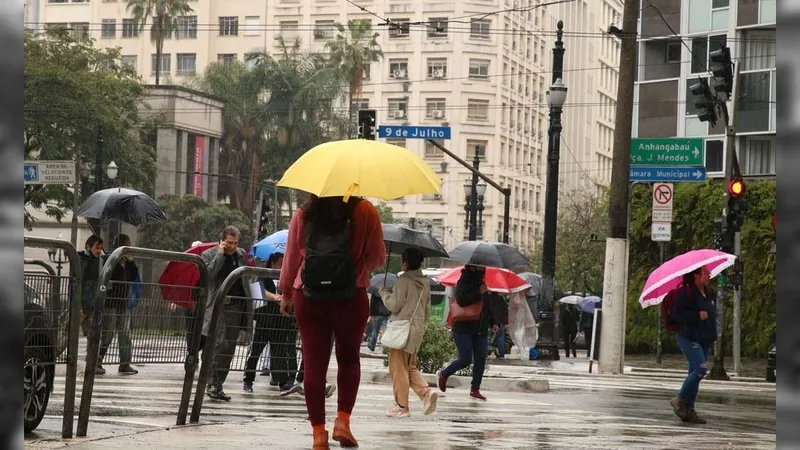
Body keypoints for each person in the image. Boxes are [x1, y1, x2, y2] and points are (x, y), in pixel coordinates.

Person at [279, 195, 385, 450]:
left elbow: (292, 258)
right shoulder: (365, 210)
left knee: (314, 364)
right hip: (351, 293)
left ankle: (318, 434)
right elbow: (376, 259)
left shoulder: (304, 213)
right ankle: (342, 422)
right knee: (349, 359)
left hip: (309, 294)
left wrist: (286, 293)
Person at [378, 248, 438, 418]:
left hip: (402, 329)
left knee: (398, 368)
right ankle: (426, 393)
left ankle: (402, 407)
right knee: (409, 366)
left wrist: (384, 293)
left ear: (405, 261)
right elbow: (427, 309)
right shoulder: (425, 282)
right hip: (417, 328)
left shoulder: (404, 280)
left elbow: (394, 305)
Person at [201, 226, 252, 402]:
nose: (232, 247)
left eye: (235, 243)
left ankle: (219, 384)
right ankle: (211, 382)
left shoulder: (241, 254)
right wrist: (220, 255)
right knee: (219, 344)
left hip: (237, 307)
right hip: (219, 306)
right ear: (221, 240)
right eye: (229, 243)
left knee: (229, 348)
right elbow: (207, 275)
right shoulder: (209, 254)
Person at [437, 265, 502, 401]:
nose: (483, 270)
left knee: (480, 359)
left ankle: (475, 389)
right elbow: (461, 300)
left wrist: (495, 322)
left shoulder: (482, 284)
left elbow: (487, 305)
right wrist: (479, 292)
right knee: (465, 359)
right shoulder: (463, 281)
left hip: (480, 327)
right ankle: (444, 374)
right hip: (463, 327)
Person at [243, 252, 302, 396]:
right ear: (274, 263)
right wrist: (275, 297)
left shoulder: (288, 277)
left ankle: (282, 382)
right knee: (256, 351)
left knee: (279, 353)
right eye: (281, 262)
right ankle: (248, 379)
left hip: (281, 321)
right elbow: (258, 290)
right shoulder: (264, 275)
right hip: (265, 320)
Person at [670, 266, 717, 425]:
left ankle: (689, 410)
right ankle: (680, 398)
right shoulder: (686, 293)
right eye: (705, 273)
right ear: (696, 276)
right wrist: (697, 315)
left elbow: (711, 316)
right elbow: (677, 315)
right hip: (688, 337)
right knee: (700, 369)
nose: (709, 275)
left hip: (704, 338)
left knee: (695, 373)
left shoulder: (710, 294)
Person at [97, 234, 140, 376]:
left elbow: (134, 276)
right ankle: (98, 359)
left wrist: (132, 263)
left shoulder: (128, 263)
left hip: (123, 301)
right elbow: (106, 276)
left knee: (125, 333)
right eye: (128, 244)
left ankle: (125, 363)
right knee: (108, 333)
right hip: (110, 301)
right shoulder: (110, 259)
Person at [79, 235, 105, 374]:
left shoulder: (99, 261)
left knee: (94, 336)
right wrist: (78, 304)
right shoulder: (83, 260)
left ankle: (92, 364)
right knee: (66, 334)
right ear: (88, 246)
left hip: (94, 304)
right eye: (97, 247)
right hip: (83, 304)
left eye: (100, 248)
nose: (99, 250)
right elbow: (77, 283)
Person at [488, 292, 508, 359]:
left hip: (490, 321)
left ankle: (488, 353)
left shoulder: (487, 298)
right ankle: (501, 355)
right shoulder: (500, 298)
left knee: (489, 337)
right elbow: (505, 309)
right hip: (500, 320)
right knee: (500, 337)